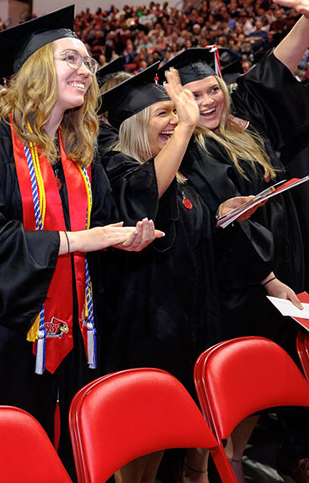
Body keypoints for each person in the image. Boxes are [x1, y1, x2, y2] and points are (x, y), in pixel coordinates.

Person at [0, 5, 161, 473]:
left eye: (87, 62)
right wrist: (81, 240)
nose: (85, 70)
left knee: (72, 448)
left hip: (79, 330)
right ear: (35, 72)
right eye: (71, 58)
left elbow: (101, 226)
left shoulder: (79, 149)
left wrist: (122, 241)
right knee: (8, 456)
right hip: (9, 332)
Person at [98, 63, 261, 483]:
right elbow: (143, 195)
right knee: (139, 438)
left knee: (165, 441)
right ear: (135, 125)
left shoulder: (181, 171)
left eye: (176, 112)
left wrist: (223, 213)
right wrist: (187, 128)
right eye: (164, 114)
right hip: (141, 330)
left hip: (184, 326)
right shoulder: (114, 167)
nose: (174, 121)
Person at [163, 40, 309, 478]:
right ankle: (204, 468)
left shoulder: (242, 131)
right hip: (235, 285)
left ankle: (237, 459)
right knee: (230, 386)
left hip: (274, 276)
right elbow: (216, 223)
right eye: (195, 95)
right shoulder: (187, 146)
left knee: (259, 388)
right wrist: (267, 279)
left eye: (213, 90)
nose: (208, 101)